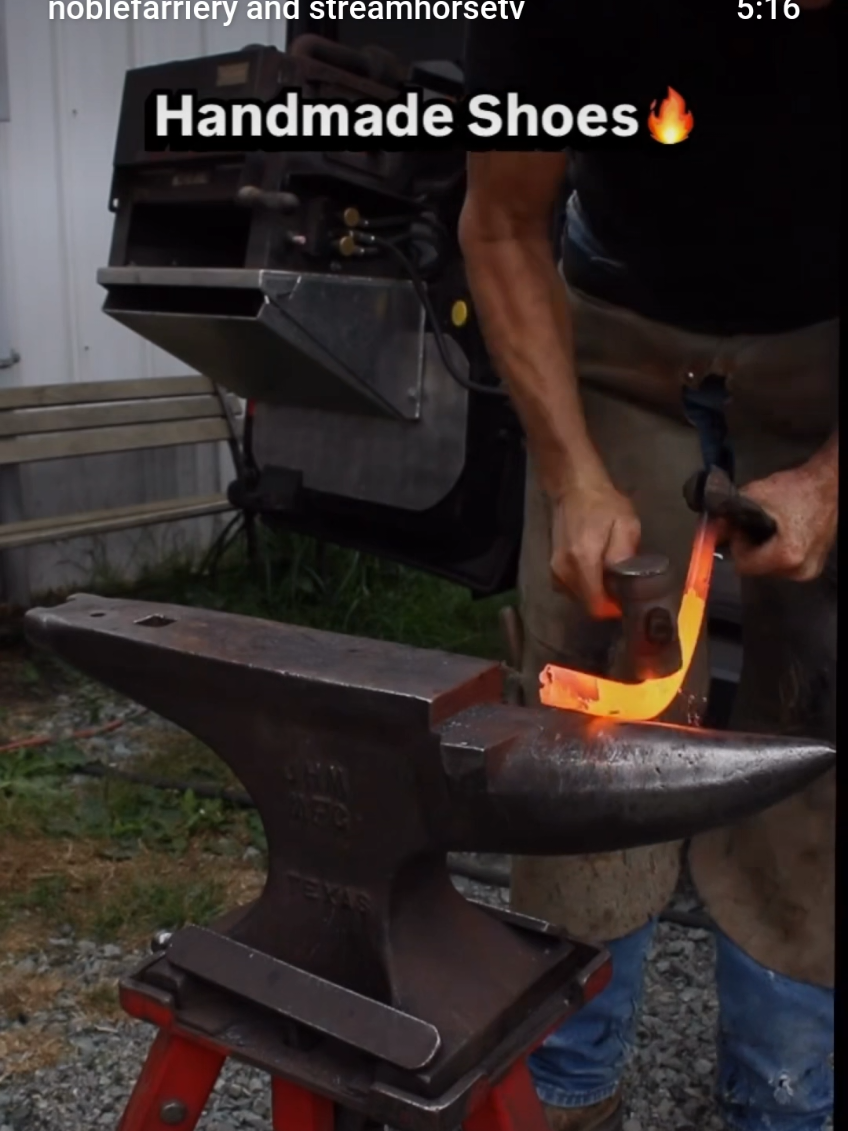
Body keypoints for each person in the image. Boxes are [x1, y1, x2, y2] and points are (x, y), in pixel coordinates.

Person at [458, 3, 838, 1130]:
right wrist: (574, 474)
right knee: (585, 697)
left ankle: (782, 1091)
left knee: (811, 706)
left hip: (824, 345)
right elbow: (500, 227)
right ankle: (564, 1083)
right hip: (617, 335)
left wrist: (828, 480)